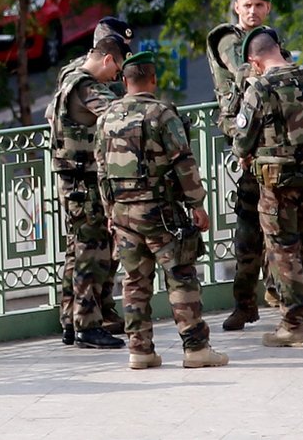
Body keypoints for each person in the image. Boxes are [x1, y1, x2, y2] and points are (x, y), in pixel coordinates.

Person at [95, 51, 228, 370]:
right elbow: (183, 163)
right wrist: (197, 204)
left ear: (125, 81)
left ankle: (140, 350)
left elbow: (101, 171)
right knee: (181, 275)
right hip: (161, 213)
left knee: (134, 282)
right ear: (153, 79)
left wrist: (110, 212)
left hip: (123, 214)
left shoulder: (106, 118)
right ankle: (196, 348)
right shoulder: (162, 114)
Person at [232, 27, 303, 346]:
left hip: (277, 183)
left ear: (254, 61)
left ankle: (293, 324)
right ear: (280, 49)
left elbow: (242, 142)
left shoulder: (261, 87)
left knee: (284, 250)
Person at [47, 18, 133, 339]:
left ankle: (70, 320)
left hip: (71, 178)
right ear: (108, 59)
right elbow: (123, 119)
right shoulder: (88, 88)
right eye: (119, 67)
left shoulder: (70, 72)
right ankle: (87, 324)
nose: (118, 76)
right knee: (92, 251)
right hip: (83, 181)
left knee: (77, 249)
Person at [206, 0, 278, 330]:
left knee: (283, 223)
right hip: (245, 136)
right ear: (237, 6)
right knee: (250, 227)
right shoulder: (228, 38)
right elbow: (246, 70)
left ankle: (284, 294)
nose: (252, 11)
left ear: (267, 9)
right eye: (246, 5)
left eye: (258, 6)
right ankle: (244, 302)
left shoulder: (269, 41)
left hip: (273, 140)